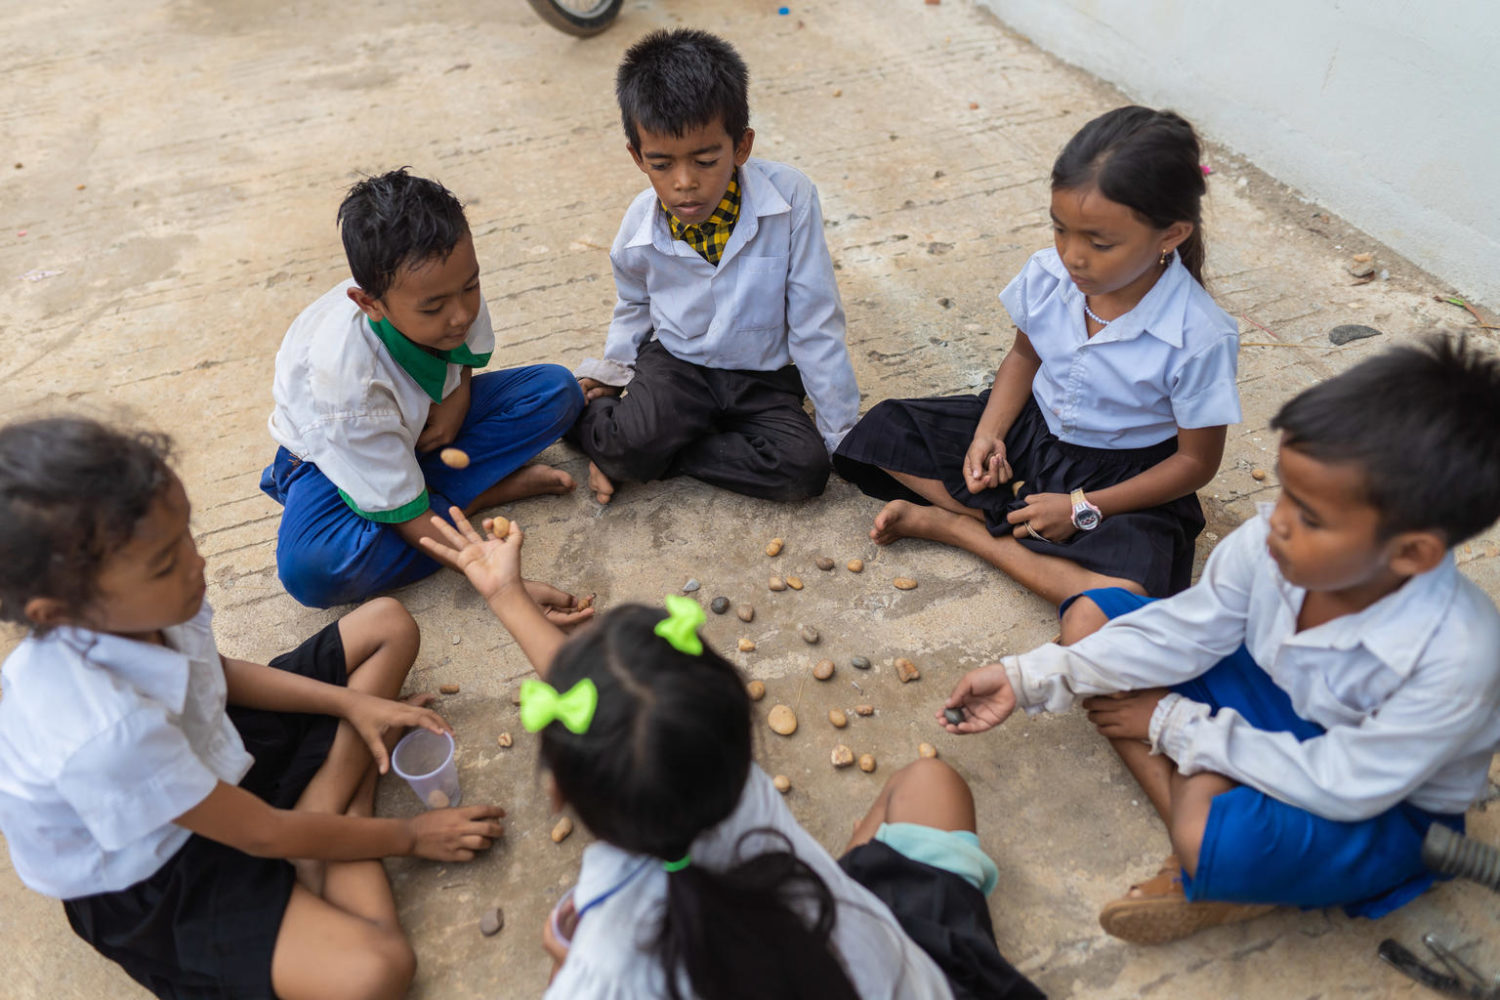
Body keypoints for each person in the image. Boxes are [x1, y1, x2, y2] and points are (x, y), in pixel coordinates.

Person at [937, 335, 1500, 944]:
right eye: (1286, 490)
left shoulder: (1460, 654)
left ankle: (1208, 859)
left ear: (1412, 552)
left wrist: (1173, 725)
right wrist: (1029, 678)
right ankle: (1219, 832)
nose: (1277, 519)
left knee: (1206, 827)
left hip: (1375, 800)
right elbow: (1186, 630)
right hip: (1274, 705)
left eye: (1310, 516)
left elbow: (1345, 782)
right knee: (1089, 622)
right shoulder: (1268, 546)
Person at [419, 509, 1043, 999]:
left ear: (558, 790)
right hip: (901, 980)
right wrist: (507, 595)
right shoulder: (729, 784)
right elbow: (624, 713)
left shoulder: (602, 975)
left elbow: (605, 712)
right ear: (740, 731)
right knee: (931, 780)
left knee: (561, 942)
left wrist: (505, 597)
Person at [0, 418, 508, 1000]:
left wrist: (356, 706)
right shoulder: (105, 732)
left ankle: (328, 808)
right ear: (59, 611)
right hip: (164, 864)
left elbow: (214, 675)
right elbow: (263, 834)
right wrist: (411, 836)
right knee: (378, 970)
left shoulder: (151, 603)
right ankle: (342, 811)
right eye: (166, 563)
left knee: (387, 624)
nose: (197, 564)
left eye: (185, 536)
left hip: (210, 747)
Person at [834, 106, 1240, 603]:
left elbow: (1196, 463)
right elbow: (1024, 357)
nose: (1073, 255)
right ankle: (1030, 534)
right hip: (1033, 435)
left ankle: (964, 530)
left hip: (1122, 481)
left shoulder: (1199, 335)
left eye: (1100, 242)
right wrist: (989, 434)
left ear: (1171, 235)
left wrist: (1082, 509)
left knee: (1119, 603)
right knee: (883, 429)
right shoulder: (1049, 275)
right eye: (1060, 229)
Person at [262, 168, 589, 609]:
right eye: (434, 307)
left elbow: (464, 353)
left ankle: (429, 498)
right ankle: (475, 495)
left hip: (419, 427)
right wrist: (497, 582)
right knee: (313, 573)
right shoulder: (344, 392)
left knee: (556, 392)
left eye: (471, 286)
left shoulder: (446, 282)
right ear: (369, 304)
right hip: (328, 459)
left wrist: (458, 398)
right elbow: (394, 498)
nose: (460, 315)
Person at [569, 28, 859, 506]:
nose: (685, 183)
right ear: (637, 156)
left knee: (804, 470)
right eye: (661, 164)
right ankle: (614, 436)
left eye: (706, 160)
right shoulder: (639, 226)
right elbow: (634, 304)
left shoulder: (791, 198)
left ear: (741, 147)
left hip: (761, 375)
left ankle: (658, 455)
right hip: (679, 364)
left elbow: (815, 318)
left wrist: (841, 432)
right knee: (627, 437)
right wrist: (615, 372)